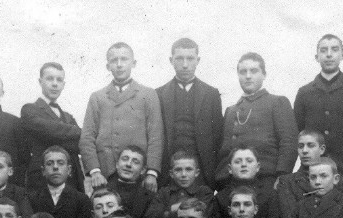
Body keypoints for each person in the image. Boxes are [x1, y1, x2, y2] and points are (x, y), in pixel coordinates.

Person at [292, 35, 343, 188]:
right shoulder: (304, 93)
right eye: (324, 50)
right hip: (312, 174)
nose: (329, 54)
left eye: (334, 50)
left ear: (342, 55)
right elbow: (297, 132)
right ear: (316, 57)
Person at [80, 43, 164, 194]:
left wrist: (152, 172)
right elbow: (87, 137)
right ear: (108, 66)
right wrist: (95, 171)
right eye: (114, 60)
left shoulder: (148, 95)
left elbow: (156, 136)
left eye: (124, 59)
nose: (119, 64)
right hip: (105, 176)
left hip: (138, 177)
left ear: (133, 63)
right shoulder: (97, 97)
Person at [219, 53, 297, 183]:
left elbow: (288, 143)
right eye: (243, 72)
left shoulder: (277, 102)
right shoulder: (230, 110)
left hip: (267, 180)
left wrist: (282, 176)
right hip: (232, 183)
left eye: (254, 71)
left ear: (264, 74)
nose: (248, 76)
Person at [157, 39, 225, 188]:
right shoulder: (159, 94)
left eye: (190, 58)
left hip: (201, 171)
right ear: (171, 61)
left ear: (197, 61)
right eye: (179, 59)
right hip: (168, 172)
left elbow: (218, 136)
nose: (185, 64)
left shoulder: (211, 94)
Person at [20, 63, 83, 194]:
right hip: (42, 181)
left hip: (72, 181)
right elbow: (50, 130)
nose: (55, 84)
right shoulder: (29, 110)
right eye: (50, 79)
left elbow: (80, 144)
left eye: (59, 80)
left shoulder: (68, 117)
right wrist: (79, 132)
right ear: (40, 82)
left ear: (63, 85)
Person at [27, 148, 93, 218]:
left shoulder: (81, 200)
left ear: (69, 170)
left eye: (60, 163)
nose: (55, 167)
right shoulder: (31, 198)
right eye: (50, 163)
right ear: (43, 171)